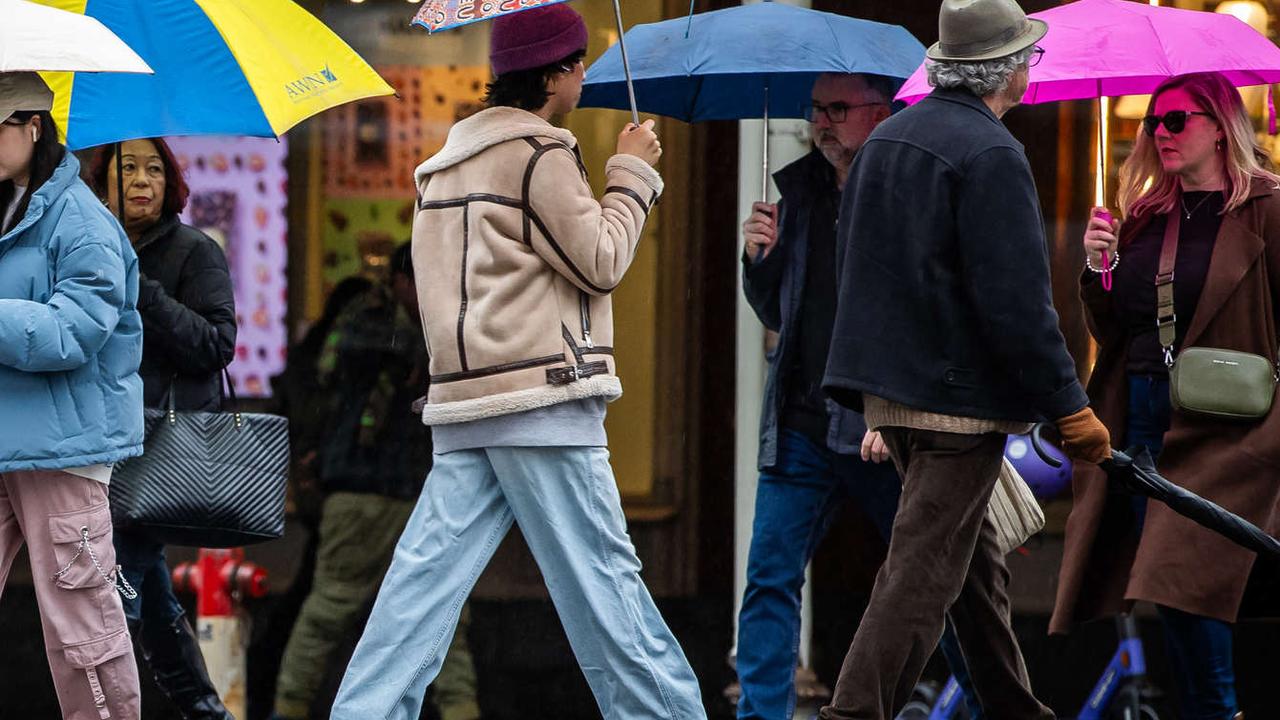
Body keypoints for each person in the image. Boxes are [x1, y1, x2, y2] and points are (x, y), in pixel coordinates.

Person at [330, 5, 705, 720]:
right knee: (607, 589)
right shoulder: (542, 153)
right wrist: (632, 174)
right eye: (578, 63)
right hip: (543, 399)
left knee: (418, 593)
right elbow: (600, 261)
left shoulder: (443, 164)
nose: (585, 75)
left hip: (468, 405)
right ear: (555, 73)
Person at [818, 1, 1113, 718]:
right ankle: (854, 712)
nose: (1029, 72)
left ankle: (1014, 709)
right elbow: (1017, 304)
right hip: (956, 402)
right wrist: (1071, 406)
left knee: (970, 568)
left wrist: (871, 396)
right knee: (921, 575)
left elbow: (856, 276)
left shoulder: (887, 142)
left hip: (895, 394)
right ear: (1006, 70)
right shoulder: (992, 153)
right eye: (1027, 60)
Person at [737, 72, 982, 720]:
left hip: (882, 424)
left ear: (879, 113)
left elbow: (923, 307)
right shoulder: (799, 194)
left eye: (836, 109)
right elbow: (783, 310)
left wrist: (893, 401)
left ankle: (981, 701)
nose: (821, 121)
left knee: (933, 579)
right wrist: (759, 261)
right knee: (769, 576)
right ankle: (761, 714)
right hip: (801, 421)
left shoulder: (906, 187)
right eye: (816, 109)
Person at [1053, 71, 1280, 720]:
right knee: (1167, 587)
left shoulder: (1267, 209)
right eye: (1154, 122)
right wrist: (1099, 267)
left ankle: (1216, 709)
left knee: (1183, 581)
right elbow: (1117, 330)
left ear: (1220, 126)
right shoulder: (1149, 215)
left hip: (1229, 432)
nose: (1160, 132)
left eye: (1176, 120)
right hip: (1144, 420)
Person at [272, 244, 479, 720]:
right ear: (400, 283)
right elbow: (356, 356)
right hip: (367, 493)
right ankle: (289, 708)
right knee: (332, 613)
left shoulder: (434, 330)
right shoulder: (371, 327)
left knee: (446, 622)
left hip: (425, 494)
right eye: (423, 281)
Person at [0, 71, 145, 719]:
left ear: (33, 128)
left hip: (63, 446)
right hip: (9, 438)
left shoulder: (83, 220)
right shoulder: (9, 203)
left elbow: (72, 332)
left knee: (81, 626)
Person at [87, 137, 237, 720]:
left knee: (118, 578)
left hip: (157, 450)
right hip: (97, 441)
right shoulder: (87, 245)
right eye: (129, 167)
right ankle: (204, 709)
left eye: (155, 169)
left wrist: (142, 289)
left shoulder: (193, 251)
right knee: (145, 587)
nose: (142, 180)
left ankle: (101, 706)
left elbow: (216, 345)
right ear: (105, 179)